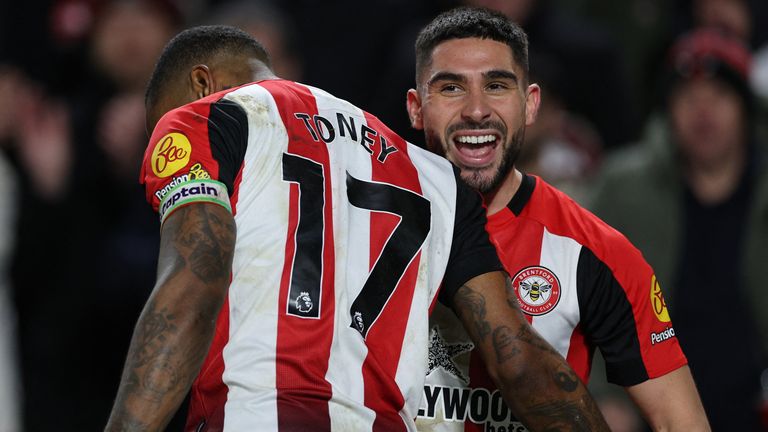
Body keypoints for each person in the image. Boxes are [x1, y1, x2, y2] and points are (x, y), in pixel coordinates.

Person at [104, 25, 610, 431]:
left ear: (201, 84)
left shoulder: (210, 117)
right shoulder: (436, 178)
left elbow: (195, 280)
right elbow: (520, 362)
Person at [404, 7, 711, 431]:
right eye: (452, 88)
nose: (476, 110)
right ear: (417, 108)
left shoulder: (597, 251)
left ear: (530, 105)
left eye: (496, 85)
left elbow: (683, 423)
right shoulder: (363, 225)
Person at [590, 28, 768, 431]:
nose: (703, 114)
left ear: (745, 108)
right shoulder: (623, 188)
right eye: (688, 98)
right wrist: (603, 395)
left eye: (719, 97)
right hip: (646, 411)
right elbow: (582, 298)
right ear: (667, 111)